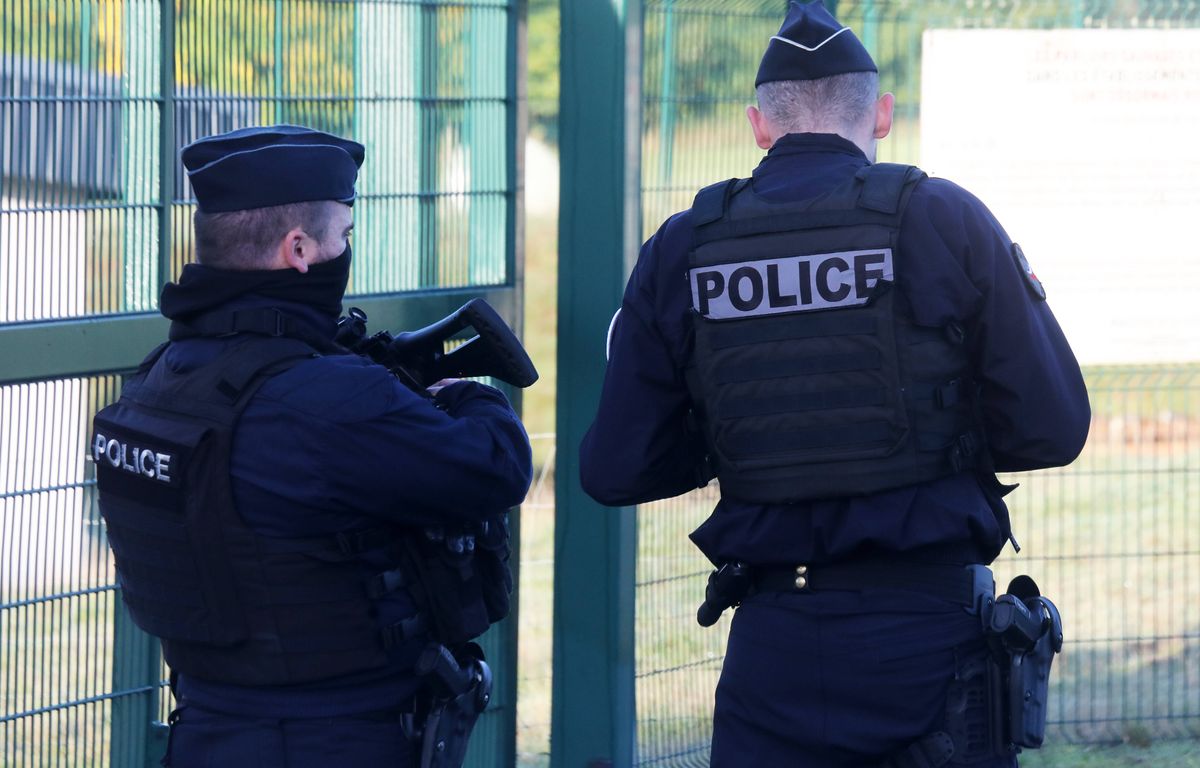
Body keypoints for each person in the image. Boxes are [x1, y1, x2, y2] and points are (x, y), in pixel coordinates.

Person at [578, 2, 1089, 766]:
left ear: (759, 125)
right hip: (931, 653)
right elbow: (1054, 427)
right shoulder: (943, 219)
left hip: (773, 657)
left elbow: (615, 468)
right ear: (881, 115)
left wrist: (741, 434)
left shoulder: (685, 246)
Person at [91, 125, 533, 767]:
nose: (346, 251)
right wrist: (464, 393)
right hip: (335, 737)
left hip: (207, 729)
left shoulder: (158, 381)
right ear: (298, 250)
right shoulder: (330, 398)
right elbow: (496, 466)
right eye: (343, 236)